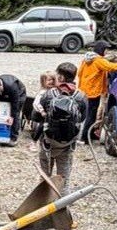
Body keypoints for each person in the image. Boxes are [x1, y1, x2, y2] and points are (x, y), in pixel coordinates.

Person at [30, 60, 86, 192]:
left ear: (60, 77)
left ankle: (41, 207)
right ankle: (61, 207)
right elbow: (82, 118)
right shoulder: (81, 97)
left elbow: (36, 117)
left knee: (45, 177)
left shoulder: (49, 95)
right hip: (67, 145)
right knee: (63, 180)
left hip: (48, 143)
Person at [76, 51, 117, 143]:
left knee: (92, 113)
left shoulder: (87, 59)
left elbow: (79, 73)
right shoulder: (99, 61)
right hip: (93, 91)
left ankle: (90, 134)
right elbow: (111, 67)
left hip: (87, 89)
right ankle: (85, 137)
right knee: (91, 115)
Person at [0, 73, 27, 144]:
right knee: (0, 114)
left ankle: (14, 137)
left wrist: (11, 118)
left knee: (14, 114)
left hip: (19, 94)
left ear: (1, 86)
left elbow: (15, 107)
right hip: (6, 94)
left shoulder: (12, 86)